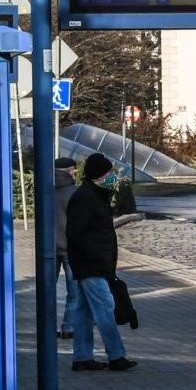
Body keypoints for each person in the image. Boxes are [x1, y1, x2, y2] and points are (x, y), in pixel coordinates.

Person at [65, 152, 138, 371]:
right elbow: (76, 233)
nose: (112, 177)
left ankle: (82, 356)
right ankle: (116, 355)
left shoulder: (95, 194)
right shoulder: (86, 197)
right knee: (105, 307)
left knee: (84, 312)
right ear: (98, 175)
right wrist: (97, 256)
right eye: (109, 173)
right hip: (91, 265)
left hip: (92, 263)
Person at [51, 156, 81, 339]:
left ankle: (47, 327)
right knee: (75, 292)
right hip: (71, 248)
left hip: (48, 249)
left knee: (48, 290)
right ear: (69, 171)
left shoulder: (45, 190)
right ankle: (69, 327)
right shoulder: (75, 192)